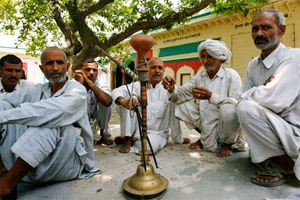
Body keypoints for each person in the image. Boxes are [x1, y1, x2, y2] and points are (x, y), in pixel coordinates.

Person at [0, 47, 99, 198]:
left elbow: (49, 112)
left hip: (65, 164)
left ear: (68, 66)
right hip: (34, 163)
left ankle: (6, 184)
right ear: (41, 68)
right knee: (2, 106)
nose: (55, 68)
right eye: (49, 63)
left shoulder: (77, 90)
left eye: (60, 62)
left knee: (51, 122)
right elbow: (6, 100)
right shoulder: (36, 90)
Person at [237, 9, 300, 187]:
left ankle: (285, 164)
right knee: (242, 107)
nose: (259, 33)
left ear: (281, 30)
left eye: (266, 27)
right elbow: (242, 97)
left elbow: (275, 102)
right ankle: (275, 158)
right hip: (273, 126)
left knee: (246, 108)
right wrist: (262, 90)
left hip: (293, 130)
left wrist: (256, 93)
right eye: (255, 29)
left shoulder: (293, 57)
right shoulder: (253, 65)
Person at [162, 39, 247, 157]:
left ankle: (228, 143)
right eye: (203, 57)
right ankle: (204, 136)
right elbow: (181, 95)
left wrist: (211, 97)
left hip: (226, 127)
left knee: (228, 109)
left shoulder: (231, 75)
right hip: (207, 123)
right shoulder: (200, 76)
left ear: (220, 58)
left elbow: (236, 103)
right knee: (181, 105)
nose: (205, 61)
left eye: (210, 57)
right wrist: (172, 89)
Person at [112, 57, 190, 154]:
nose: (157, 71)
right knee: (129, 98)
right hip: (137, 130)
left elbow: (174, 114)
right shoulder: (138, 85)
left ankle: (131, 140)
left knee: (148, 148)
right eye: (153, 67)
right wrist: (124, 101)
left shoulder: (170, 88)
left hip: (157, 134)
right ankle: (128, 138)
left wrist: (178, 139)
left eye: (160, 68)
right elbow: (116, 91)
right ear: (147, 70)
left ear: (163, 71)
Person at [75, 58, 113, 145]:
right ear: (81, 71)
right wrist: (79, 84)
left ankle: (104, 134)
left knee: (105, 100)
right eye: (87, 70)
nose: (91, 73)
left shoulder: (100, 83)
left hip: (95, 118)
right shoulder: (73, 83)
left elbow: (107, 102)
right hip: (79, 123)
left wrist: (89, 82)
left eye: (94, 70)